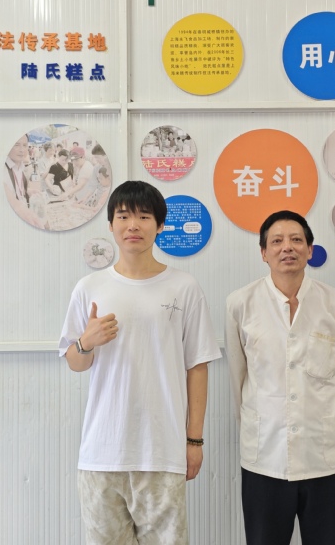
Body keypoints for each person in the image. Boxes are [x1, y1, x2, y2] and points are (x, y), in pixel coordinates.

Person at [58, 180, 221, 545]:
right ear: (111, 225)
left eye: (144, 216)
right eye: (123, 216)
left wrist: (194, 440)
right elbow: (75, 362)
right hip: (102, 453)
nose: (133, 225)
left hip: (162, 451)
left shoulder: (184, 287)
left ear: (160, 225)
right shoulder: (89, 287)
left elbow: (197, 366)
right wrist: (86, 342)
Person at [226, 210, 335, 545]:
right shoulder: (240, 303)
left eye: (296, 240)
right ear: (263, 252)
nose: (287, 247)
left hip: (322, 455)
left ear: (310, 249)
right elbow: (238, 378)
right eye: (277, 241)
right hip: (264, 456)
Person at [2, 133, 46, 229]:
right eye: (16, 145)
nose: (21, 150)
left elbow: (17, 189)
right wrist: (17, 205)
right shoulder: (2, 169)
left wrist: (28, 191)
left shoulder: (20, 167)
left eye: (25, 145)